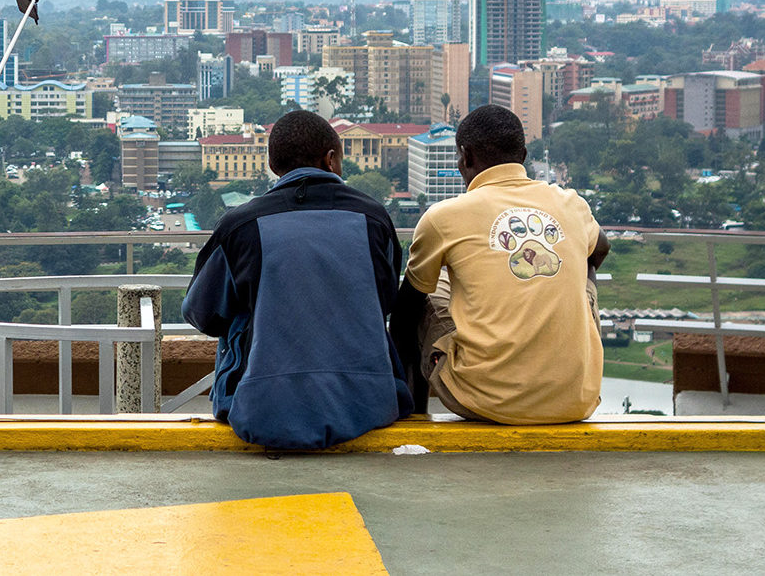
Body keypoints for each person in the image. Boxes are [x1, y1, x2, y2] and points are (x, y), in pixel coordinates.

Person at [181, 110, 413, 449]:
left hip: (263, 410)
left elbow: (202, 314)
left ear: (274, 166)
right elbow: (386, 299)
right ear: (331, 160)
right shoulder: (373, 218)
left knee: (241, 312)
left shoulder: (241, 225)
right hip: (370, 404)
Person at [396, 105, 611, 424]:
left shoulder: (444, 217)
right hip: (575, 400)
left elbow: (405, 311)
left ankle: (411, 417)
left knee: (427, 291)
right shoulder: (570, 204)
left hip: (483, 399)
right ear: (522, 155)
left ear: (465, 157)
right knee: (582, 277)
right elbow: (601, 247)